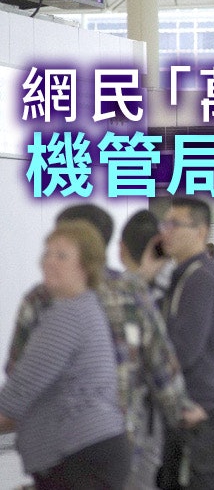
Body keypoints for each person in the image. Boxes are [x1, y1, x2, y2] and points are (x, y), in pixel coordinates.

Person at [8, 205, 202, 490]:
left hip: (60, 445)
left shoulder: (40, 299)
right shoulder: (131, 291)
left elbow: (18, 372)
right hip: (125, 438)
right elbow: (160, 363)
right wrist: (182, 412)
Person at [0, 221, 131, 487]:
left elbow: (20, 391)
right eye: (47, 253)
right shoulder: (83, 307)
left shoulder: (68, 315)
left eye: (61, 256)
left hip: (81, 457)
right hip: (88, 454)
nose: (49, 262)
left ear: (87, 266)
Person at [154, 197, 214, 490]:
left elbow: (185, 349)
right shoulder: (184, 274)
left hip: (194, 405)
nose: (166, 231)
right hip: (188, 401)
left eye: (175, 224)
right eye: (165, 223)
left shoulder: (200, 278)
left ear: (200, 231)